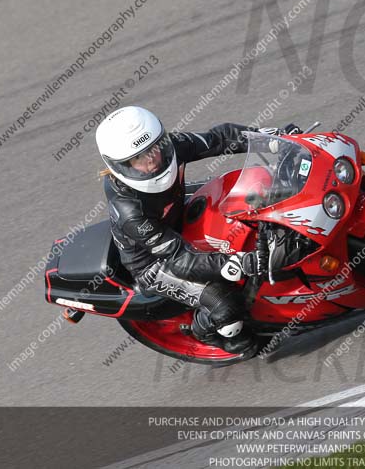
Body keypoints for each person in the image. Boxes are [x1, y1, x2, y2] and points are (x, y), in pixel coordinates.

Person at [95, 105, 297, 358]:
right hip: (156, 263)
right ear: (121, 165)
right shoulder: (130, 212)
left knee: (254, 203)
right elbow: (179, 258)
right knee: (227, 306)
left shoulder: (168, 149)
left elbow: (219, 138)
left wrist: (271, 139)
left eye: (154, 149)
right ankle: (206, 331)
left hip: (179, 217)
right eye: (139, 159)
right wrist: (236, 263)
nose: (152, 160)